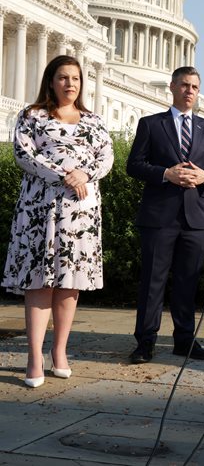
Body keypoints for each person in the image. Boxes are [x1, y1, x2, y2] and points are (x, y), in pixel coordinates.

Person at [2, 55, 114, 388]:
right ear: (51, 80)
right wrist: (66, 175)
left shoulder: (93, 121)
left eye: (76, 79)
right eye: (63, 78)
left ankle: (60, 352)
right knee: (40, 282)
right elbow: (23, 154)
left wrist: (85, 173)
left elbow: (105, 157)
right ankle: (34, 357)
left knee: (69, 283)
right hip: (39, 210)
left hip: (80, 213)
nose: (70, 84)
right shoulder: (32, 116)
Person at [127, 66, 204, 364]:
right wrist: (165, 173)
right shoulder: (151, 124)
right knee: (152, 282)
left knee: (188, 282)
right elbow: (134, 165)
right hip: (159, 217)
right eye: (184, 85)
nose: (190, 91)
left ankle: (184, 340)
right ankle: (145, 342)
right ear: (172, 87)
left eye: (195, 86)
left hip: (196, 219)